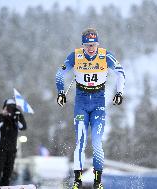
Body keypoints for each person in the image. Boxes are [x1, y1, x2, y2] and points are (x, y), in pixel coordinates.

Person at [55, 28, 125, 189]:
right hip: (81, 102)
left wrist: (119, 92)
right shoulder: (76, 55)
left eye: (93, 45)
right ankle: (77, 180)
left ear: (98, 44)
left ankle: (97, 181)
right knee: (80, 141)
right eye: (87, 45)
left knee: (97, 142)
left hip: (98, 103)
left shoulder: (105, 55)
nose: (91, 49)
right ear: (83, 45)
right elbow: (59, 73)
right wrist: (60, 92)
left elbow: (121, 72)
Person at [0, 98, 27, 187]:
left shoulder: (16, 119)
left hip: (12, 148)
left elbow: (23, 127)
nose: (11, 109)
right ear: (4, 107)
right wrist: (4, 116)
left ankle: (4, 186)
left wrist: (19, 115)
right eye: (9, 107)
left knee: (8, 171)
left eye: (13, 107)